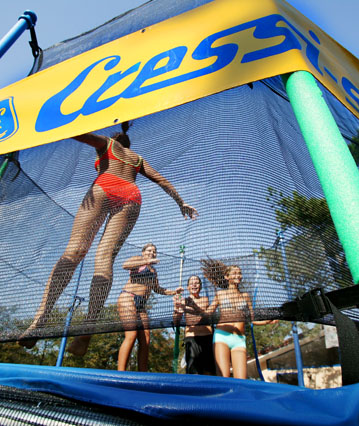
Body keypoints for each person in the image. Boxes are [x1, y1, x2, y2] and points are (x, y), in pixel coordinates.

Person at [18, 123, 198, 353]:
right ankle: (88, 327)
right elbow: (161, 180)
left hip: (105, 186)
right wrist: (181, 202)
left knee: (75, 250)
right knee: (105, 258)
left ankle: (40, 320)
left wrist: (57, 123)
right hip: (131, 197)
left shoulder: (107, 144)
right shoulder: (137, 158)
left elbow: (81, 134)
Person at [200, 260, 276, 379]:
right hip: (222, 337)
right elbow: (207, 313)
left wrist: (267, 321)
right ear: (227, 277)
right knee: (224, 377)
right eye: (234, 273)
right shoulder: (220, 294)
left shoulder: (245, 296)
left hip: (239, 339)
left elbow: (252, 319)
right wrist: (194, 309)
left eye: (239, 273)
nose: (238, 275)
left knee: (241, 379)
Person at [117, 243, 182, 371]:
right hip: (128, 298)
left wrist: (174, 291)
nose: (152, 253)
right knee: (131, 335)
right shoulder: (138, 260)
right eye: (149, 250)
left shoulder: (153, 271)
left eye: (154, 251)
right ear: (143, 252)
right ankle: (120, 372)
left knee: (146, 339)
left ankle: (142, 373)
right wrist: (146, 261)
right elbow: (125, 265)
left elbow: (157, 289)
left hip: (141, 304)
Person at [173, 275, 215, 375]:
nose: (194, 285)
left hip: (207, 337)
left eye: (196, 283)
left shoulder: (205, 299)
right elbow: (176, 321)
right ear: (188, 287)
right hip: (191, 339)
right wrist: (176, 308)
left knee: (209, 372)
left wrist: (193, 306)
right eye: (191, 283)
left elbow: (206, 315)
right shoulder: (183, 300)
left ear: (200, 286)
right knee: (193, 371)